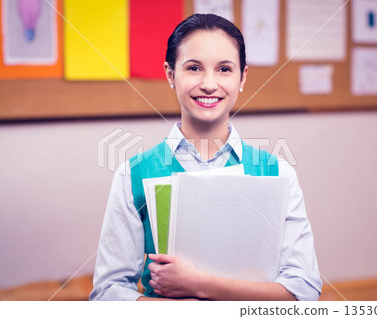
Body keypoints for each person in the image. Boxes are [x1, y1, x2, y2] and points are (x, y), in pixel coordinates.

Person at [90, 13, 322, 301]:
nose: (209, 84)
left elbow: (304, 289)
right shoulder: (134, 175)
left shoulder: (278, 174)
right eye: (194, 68)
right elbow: (107, 293)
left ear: (243, 77)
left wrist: (199, 285)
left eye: (224, 69)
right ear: (170, 75)